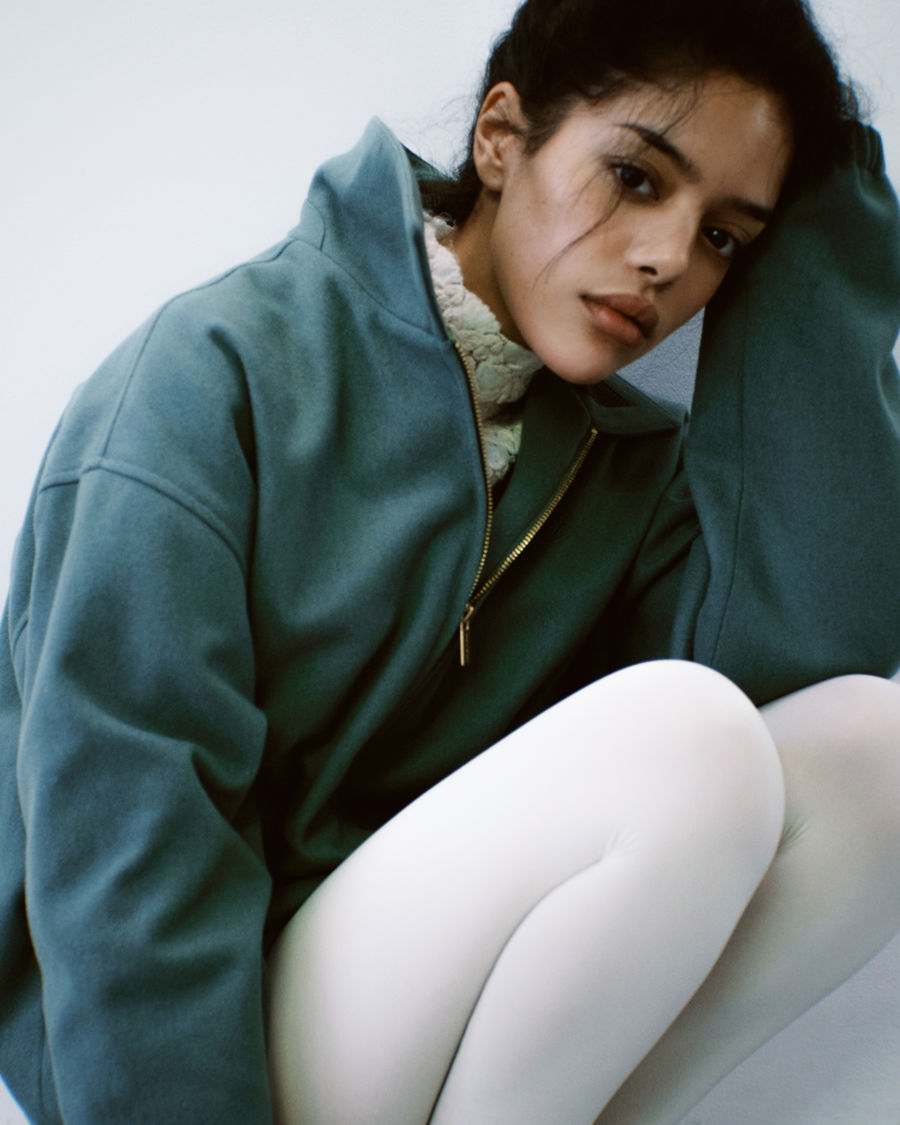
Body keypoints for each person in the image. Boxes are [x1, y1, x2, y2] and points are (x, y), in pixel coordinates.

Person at [1, 0, 899, 1121]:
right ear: (501, 136)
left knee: (875, 755)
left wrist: (826, 226)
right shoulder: (215, 375)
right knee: (690, 738)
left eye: (724, 235)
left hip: (419, 1027)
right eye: (635, 178)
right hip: (194, 1040)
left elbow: (809, 659)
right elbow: (126, 836)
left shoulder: (626, 469)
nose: (669, 257)